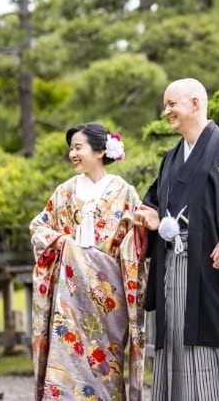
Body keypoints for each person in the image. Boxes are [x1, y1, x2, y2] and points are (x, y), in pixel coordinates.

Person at [137, 78, 219, 401]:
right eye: (165, 104)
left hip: (216, 272)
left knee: (218, 344)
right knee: (177, 341)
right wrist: (152, 217)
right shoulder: (170, 158)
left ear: (195, 103)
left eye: (172, 104)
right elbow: (153, 201)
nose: (166, 111)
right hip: (174, 268)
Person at [30, 122, 158, 401]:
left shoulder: (124, 191)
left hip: (108, 293)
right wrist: (64, 243)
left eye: (78, 148)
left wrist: (135, 234)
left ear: (100, 151)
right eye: (71, 149)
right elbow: (38, 228)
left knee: (106, 359)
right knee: (66, 353)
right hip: (70, 293)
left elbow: (137, 239)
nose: (72, 154)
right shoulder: (63, 192)